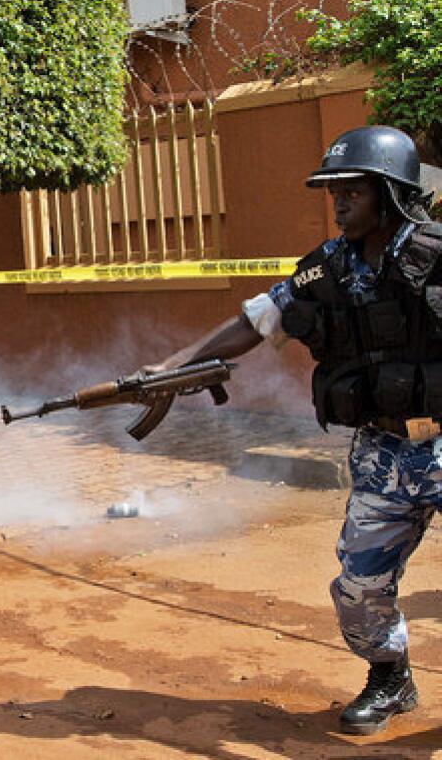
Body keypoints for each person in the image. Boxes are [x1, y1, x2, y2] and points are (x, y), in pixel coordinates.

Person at [143, 126, 438, 736]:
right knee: (358, 589)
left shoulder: (439, 252)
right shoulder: (327, 269)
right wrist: (173, 368)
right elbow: (256, 321)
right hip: (384, 453)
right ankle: (390, 678)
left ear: (387, 193)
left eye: (351, 192)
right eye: (334, 193)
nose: (339, 204)